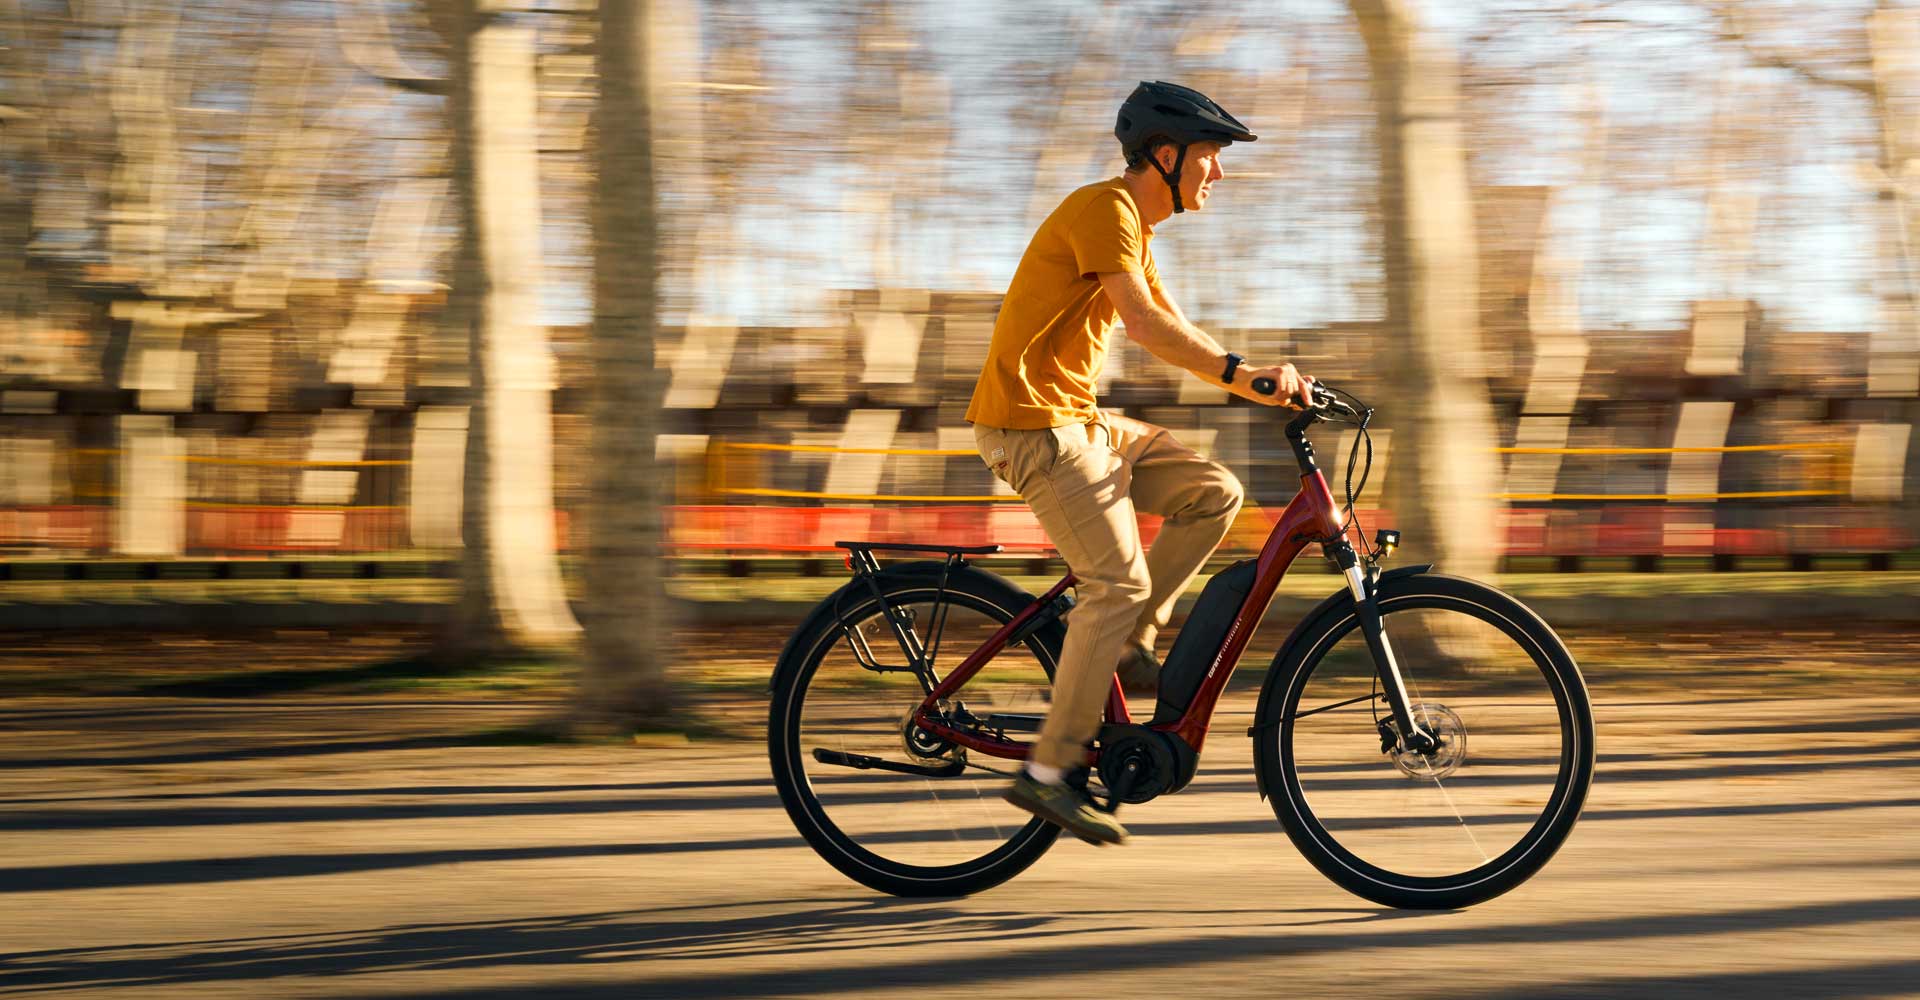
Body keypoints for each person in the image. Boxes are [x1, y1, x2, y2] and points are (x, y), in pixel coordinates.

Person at [965, 80, 1314, 846]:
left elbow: (1170, 321)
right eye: (1210, 157)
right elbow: (1149, 325)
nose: (1217, 174)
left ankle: (1127, 641)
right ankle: (1048, 771)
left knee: (1212, 493)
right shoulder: (1106, 210)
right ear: (1165, 154)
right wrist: (1244, 375)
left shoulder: (1135, 233)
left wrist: (1260, 379)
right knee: (1113, 582)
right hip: (1034, 425)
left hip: (1080, 422)